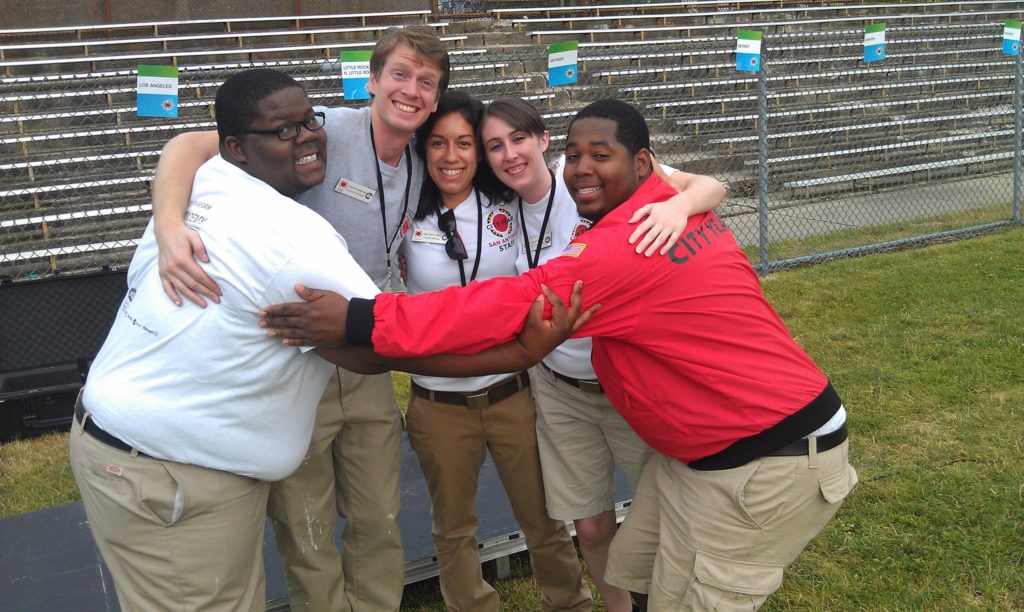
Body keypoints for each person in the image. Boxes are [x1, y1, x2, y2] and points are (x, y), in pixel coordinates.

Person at [261, 98, 859, 611]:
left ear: (645, 164)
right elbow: (695, 185)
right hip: (708, 452)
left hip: (767, 457)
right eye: (573, 156)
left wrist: (360, 317)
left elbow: (500, 303)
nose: (581, 169)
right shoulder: (664, 204)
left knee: (692, 593)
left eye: (601, 156)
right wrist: (688, 198)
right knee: (637, 562)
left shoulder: (629, 241)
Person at [149, 26, 449, 610]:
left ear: (437, 98)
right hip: (291, 356)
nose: (411, 91)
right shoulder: (326, 128)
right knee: (307, 530)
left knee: (378, 517)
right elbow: (189, 144)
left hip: (362, 357)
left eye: (426, 82)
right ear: (372, 80)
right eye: (400, 74)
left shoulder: (426, 152)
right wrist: (167, 224)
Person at [479, 97, 726, 612]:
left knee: (664, 521)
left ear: (544, 141)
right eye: (494, 146)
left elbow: (709, 186)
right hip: (558, 387)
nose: (509, 155)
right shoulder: (496, 211)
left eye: (518, 139)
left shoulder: (588, 181)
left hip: (623, 382)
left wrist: (678, 206)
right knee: (590, 527)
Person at [401, 90, 591, 611]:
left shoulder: (505, 202)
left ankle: (569, 602)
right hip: (439, 401)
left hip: (512, 393)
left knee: (544, 517)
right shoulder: (404, 215)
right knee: (453, 529)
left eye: (464, 143)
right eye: (437, 143)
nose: (451, 156)